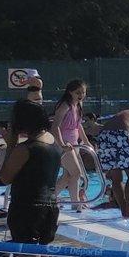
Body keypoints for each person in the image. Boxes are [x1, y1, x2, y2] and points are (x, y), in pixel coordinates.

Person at [0, 99, 62, 257]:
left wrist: (11, 144)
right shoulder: (52, 141)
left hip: (27, 208)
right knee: (42, 256)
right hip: (51, 206)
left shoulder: (25, 149)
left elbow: (5, 177)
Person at [53, 79, 93, 210]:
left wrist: (86, 142)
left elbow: (78, 125)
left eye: (83, 92)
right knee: (76, 172)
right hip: (64, 144)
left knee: (68, 175)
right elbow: (55, 126)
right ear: (70, 92)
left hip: (74, 144)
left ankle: (69, 203)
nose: (81, 95)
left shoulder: (78, 105)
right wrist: (61, 144)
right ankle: (69, 203)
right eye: (77, 92)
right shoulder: (65, 105)